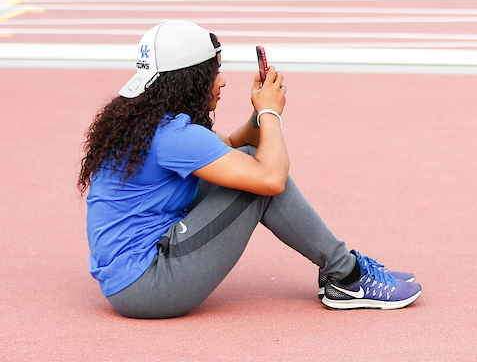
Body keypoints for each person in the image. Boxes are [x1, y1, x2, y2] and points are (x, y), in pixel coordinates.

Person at [80, 19, 421, 318]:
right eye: (215, 72)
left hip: (130, 280)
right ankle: (346, 276)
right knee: (259, 184)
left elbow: (231, 147)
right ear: (190, 80)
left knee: (246, 158)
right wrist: (271, 114)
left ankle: (344, 272)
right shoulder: (173, 137)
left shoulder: (150, 123)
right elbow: (270, 180)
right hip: (149, 287)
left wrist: (259, 111)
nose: (222, 82)